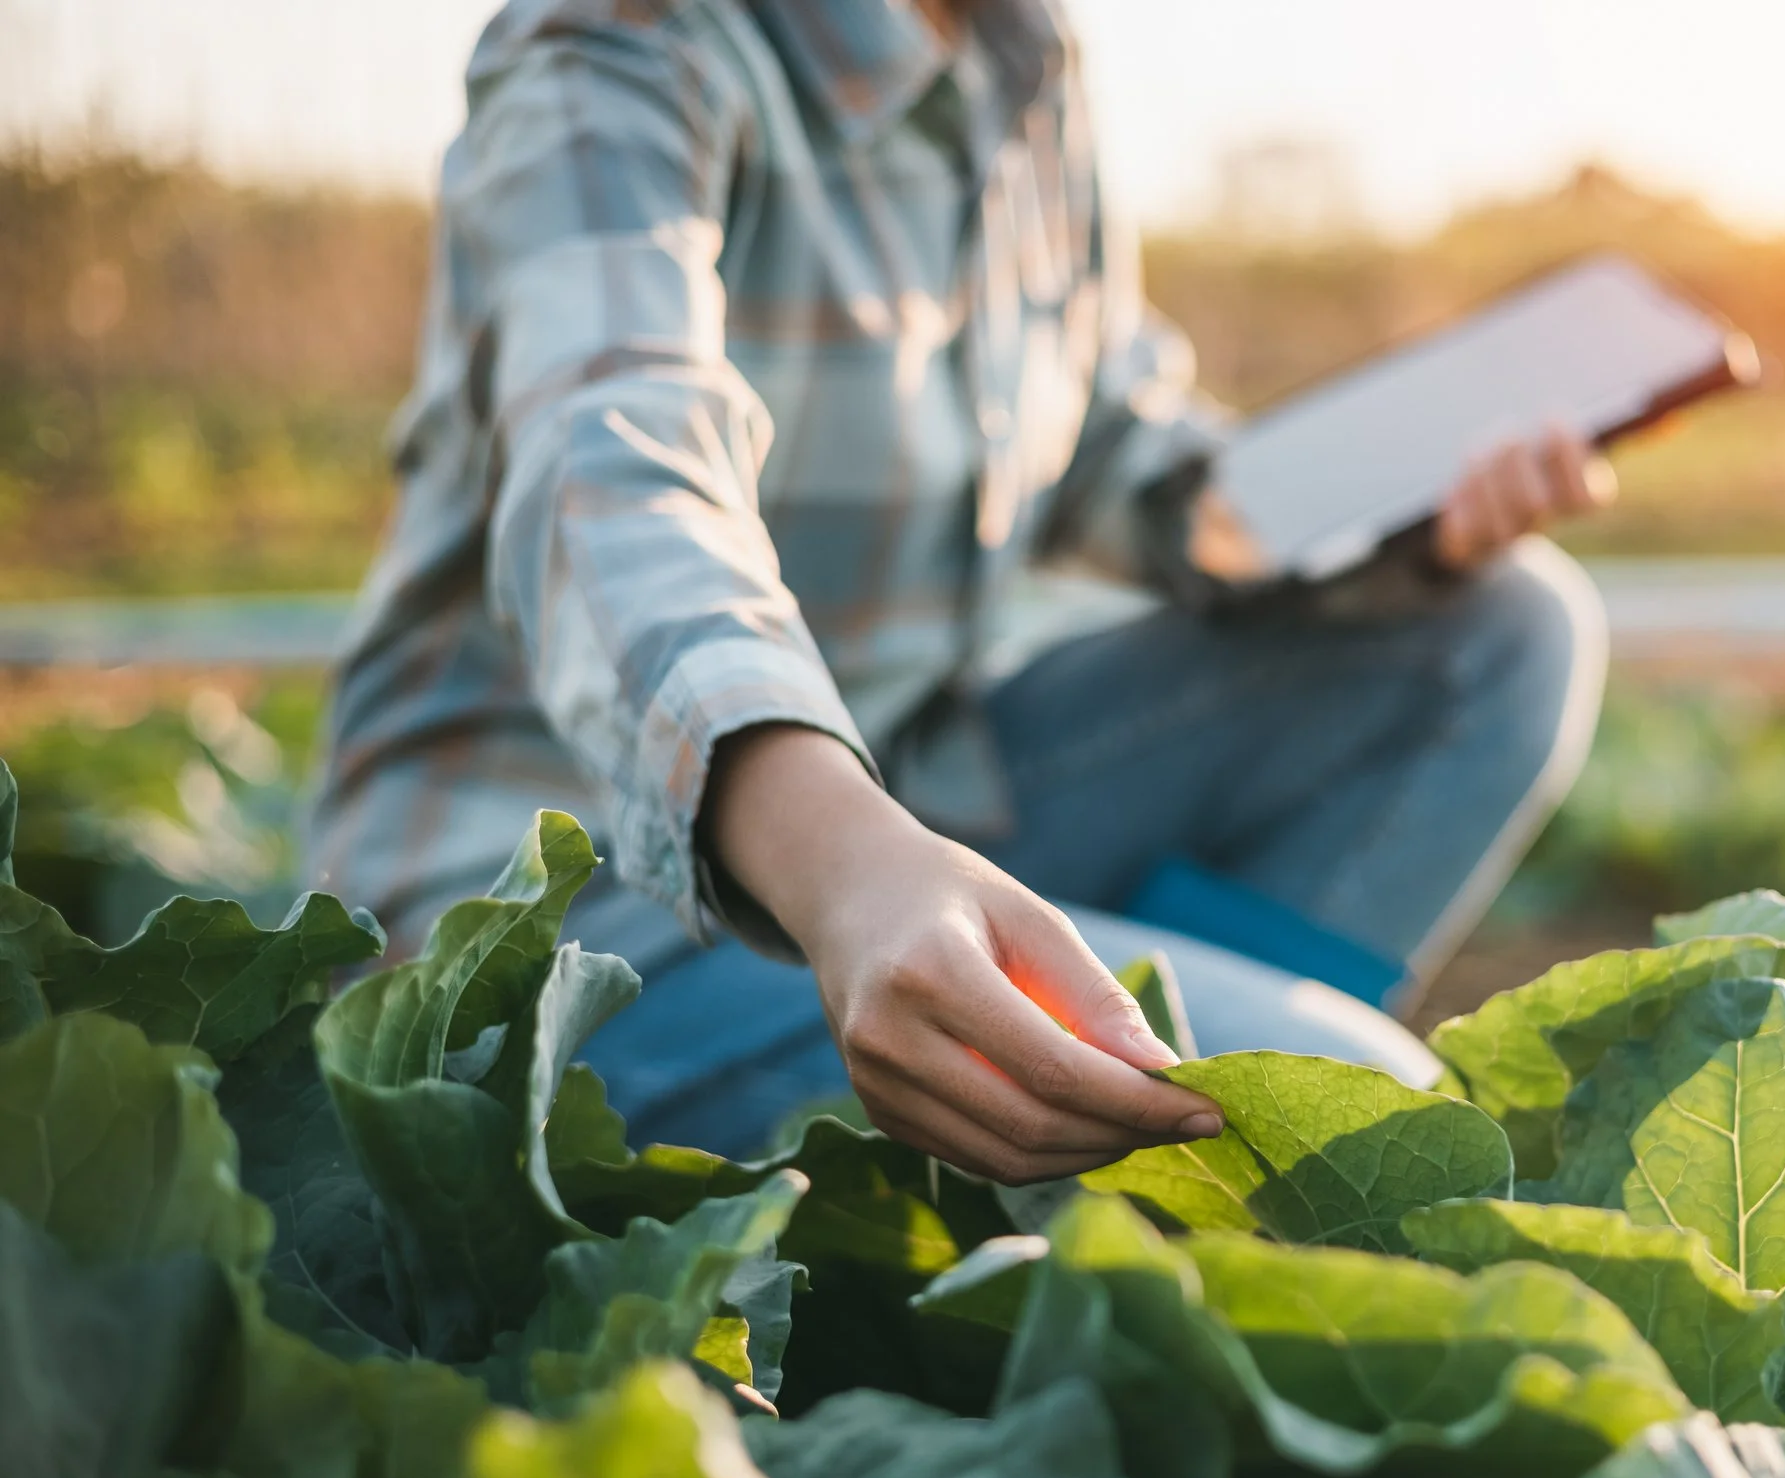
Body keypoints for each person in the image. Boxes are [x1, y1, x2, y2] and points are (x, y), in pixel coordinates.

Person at [306, 0, 1620, 1183]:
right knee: (1356, 1101)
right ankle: (1107, 1169)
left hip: (915, 810)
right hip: (571, 927)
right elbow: (612, 464)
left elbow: (1114, 453)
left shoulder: (1023, 63)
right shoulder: (619, 45)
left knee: (1498, 633)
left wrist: (1398, 514)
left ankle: (1086, 1155)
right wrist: (845, 864)